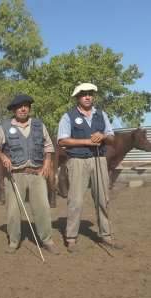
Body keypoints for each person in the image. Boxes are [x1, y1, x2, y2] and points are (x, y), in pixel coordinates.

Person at [57, 83, 124, 253]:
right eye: (84, 94)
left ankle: (106, 235)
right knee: (76, 200)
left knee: (103, 198)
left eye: (90, 94)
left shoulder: (101, 115)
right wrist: (86, 141)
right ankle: (71, 238)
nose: (88, 97)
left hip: (99, 160)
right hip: (77, 161)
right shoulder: (68, 116)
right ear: (77, 97)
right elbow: (62, 141)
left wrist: (103, 136)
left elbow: (112, 138)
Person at [0, 94, 60, 255]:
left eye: (26, 106)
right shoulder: (5, 126)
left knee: (43, 209)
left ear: (29, 108)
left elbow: (48, 146)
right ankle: (14, 242)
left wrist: (47, 163)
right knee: (13, 211)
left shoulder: (38, 125)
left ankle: (47, 240)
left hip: (36, 174)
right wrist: (3, 156)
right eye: (19, 106)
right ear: (14, 109)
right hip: (15, 175)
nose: (23, 109)